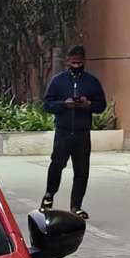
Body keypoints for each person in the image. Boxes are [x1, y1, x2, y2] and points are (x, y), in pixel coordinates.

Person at [40, 45, 107, 219]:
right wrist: (64, 104)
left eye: (79, 62)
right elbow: (47, 105)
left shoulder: (91, 81)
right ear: (68, 61)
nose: (76, 65)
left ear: (84, 61)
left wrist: (88, 104)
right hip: (63, 133)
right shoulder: (58, 81)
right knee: (57, 165)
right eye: (73, 62)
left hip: (82, 133)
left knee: (81, 171)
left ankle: (76, 206)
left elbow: (101, 105)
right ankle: (49, 196)